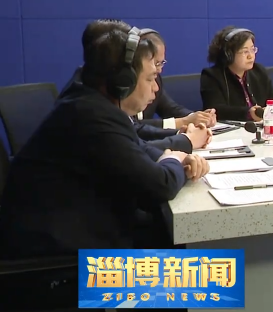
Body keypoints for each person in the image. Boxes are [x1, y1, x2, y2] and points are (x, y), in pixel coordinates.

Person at [0, 26, 210, 257]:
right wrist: (173, 159)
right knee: (219, 276)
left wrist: (178, 159)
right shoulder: (91, 116)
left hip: (85, 239)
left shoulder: (91, 105)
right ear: (123, 82)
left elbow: (139, 150)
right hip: (62, 264)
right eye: (151, 78)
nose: (156, 87)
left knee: (197, 255)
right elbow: (160, 186)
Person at [63, 20, 209, 153]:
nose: (155, 85)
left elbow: (137, 139)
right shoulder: (89, 110)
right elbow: (138, 156)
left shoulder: (92, 94)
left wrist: (182, 134)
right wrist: (181, 149)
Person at [137, 28, 217, 129]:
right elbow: (133, 125)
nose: (160, 70)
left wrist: (198, 117)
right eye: (156, 63)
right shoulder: (125, 84)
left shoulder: (157, 80)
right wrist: (182, 122)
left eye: (161, 63)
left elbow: (170, 109)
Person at [201, 26, 273, 121]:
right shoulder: (211, 76)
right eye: (245, 51)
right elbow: (215, 110)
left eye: (252, 49)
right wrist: (248, 113)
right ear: (229, 54)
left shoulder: (259, 71)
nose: (251, 56)